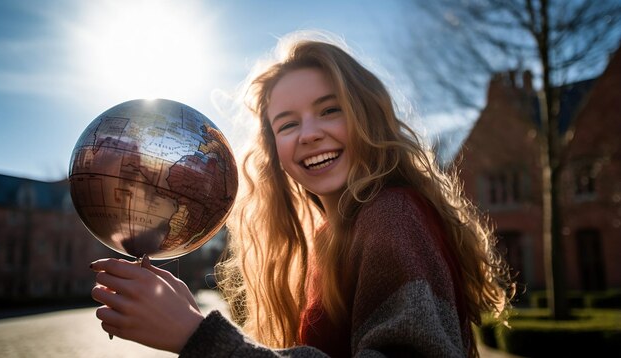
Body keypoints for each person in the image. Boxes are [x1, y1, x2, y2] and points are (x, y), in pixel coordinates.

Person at [90, 31, 513, 357]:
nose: (309, 134)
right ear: (274, 151)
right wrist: (189, 318)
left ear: (368, 118)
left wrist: (197, 337)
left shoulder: (391, 216)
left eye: (330, 110)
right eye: (287, 124)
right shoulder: (334, 236)